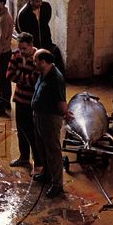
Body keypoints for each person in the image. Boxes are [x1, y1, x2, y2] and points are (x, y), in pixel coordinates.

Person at [31, 49, 73, 198]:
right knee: (42, 147)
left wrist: (66, 113)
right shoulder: (43, 73)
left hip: (49, 118)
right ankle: (47, 174)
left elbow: (61, 101)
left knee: (53, 151)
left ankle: (57, 184)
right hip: (39, 116)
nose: (33, 62)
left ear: (43, 62)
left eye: (35, 60)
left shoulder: (56, 78)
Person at [6, 32, 41, 171]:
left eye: (24, 49)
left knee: (34, 134)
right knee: (21, 131)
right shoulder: (16, 55)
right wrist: (26, 77)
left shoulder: (38, 57)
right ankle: (24, 158)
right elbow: (9, 75)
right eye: (20, 48)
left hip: (33, 102)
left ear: (31, 46)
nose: (21, 52)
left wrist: (20, 76)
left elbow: (35, 80)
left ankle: (38, 163)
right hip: (20, 100)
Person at [16, 0, 65, 74]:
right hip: (34, 46)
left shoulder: (46, 7)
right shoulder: (23, 14)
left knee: (54, 57)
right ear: (30, 0)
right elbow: (21, 31)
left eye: (41, 0)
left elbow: (46, 22)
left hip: (46, 42)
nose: (40, 3)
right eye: (37, 1)